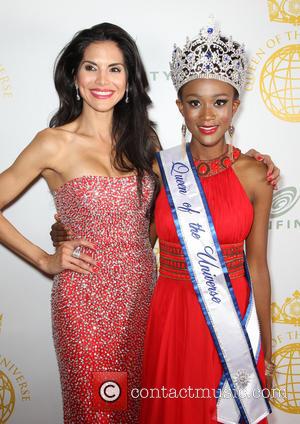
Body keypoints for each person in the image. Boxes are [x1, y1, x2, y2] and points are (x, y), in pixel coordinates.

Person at [0, 23, 160, 423]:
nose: (102, 80)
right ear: (74, 76)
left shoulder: (146, 142)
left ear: (130, 80)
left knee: (136, 412)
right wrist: (43, 259)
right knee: (95, 413)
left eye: (115, 69)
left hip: (143, 298)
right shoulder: (53, 142)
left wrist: (253, 163)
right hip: (83, 301)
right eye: (91, 67)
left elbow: (163, 217)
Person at [139, 20, 274, 423]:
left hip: (231, 317)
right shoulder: (162, 169)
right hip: (171, 313)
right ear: (180, 108)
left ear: (235, 106)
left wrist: (265, 344)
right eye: (195, 102)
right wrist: (73, 229)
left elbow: (258, 265)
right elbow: (137, 244)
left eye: (220, 101)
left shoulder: (256, 175)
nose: (207, 114)